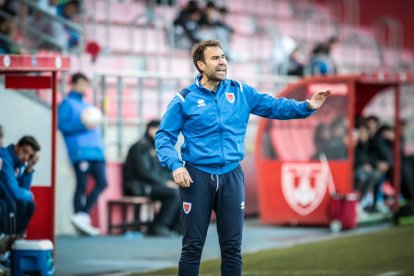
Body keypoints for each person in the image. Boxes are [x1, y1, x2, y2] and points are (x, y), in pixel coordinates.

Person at [155, 40, 331, 276]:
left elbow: (274, 106)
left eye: (223, 57)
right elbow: (164, 137)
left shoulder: (240, 91)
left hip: (232, 176)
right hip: (196, 176)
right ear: (200, 65)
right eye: (215, 58)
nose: (222, 62)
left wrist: (307, 106)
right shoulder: (184, 98)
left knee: (232, 248)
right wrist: (176, 166)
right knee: (192, 247)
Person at [58, 72, 107, 236]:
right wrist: (82, 124)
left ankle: (82, 214)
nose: (83, 87)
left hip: (96, 151)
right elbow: (61, 125)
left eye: (85, 84)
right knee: (82, 184)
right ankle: (79, 213)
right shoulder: (67, 103)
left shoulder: (87, 105)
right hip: (80, 151)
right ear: (72, 84)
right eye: (80, 84)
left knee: (102, 182)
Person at [123, 120, 181, 236]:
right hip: (139, 186)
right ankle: (159, 226)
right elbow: (144, 173)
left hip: (154, 185)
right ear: (150, 129)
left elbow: (163, 170)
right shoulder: (140, 147)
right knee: (173, 193)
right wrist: (165, 183)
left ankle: (176, 227)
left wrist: (174, 179)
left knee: (181, 190)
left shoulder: (157, 147)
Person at [0, 136, 40, 238]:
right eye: (24, 152)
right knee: (13, 204)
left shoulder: (18, 164)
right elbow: (15, 193)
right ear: (17, 147)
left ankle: (15, 240)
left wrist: (29, 168)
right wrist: (30, 195)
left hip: (7, 196)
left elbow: (22, 190)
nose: (26, 158)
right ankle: (7, 240)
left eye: (30, 156)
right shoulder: (5, 157)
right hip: (4, 199)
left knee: (29, 205)